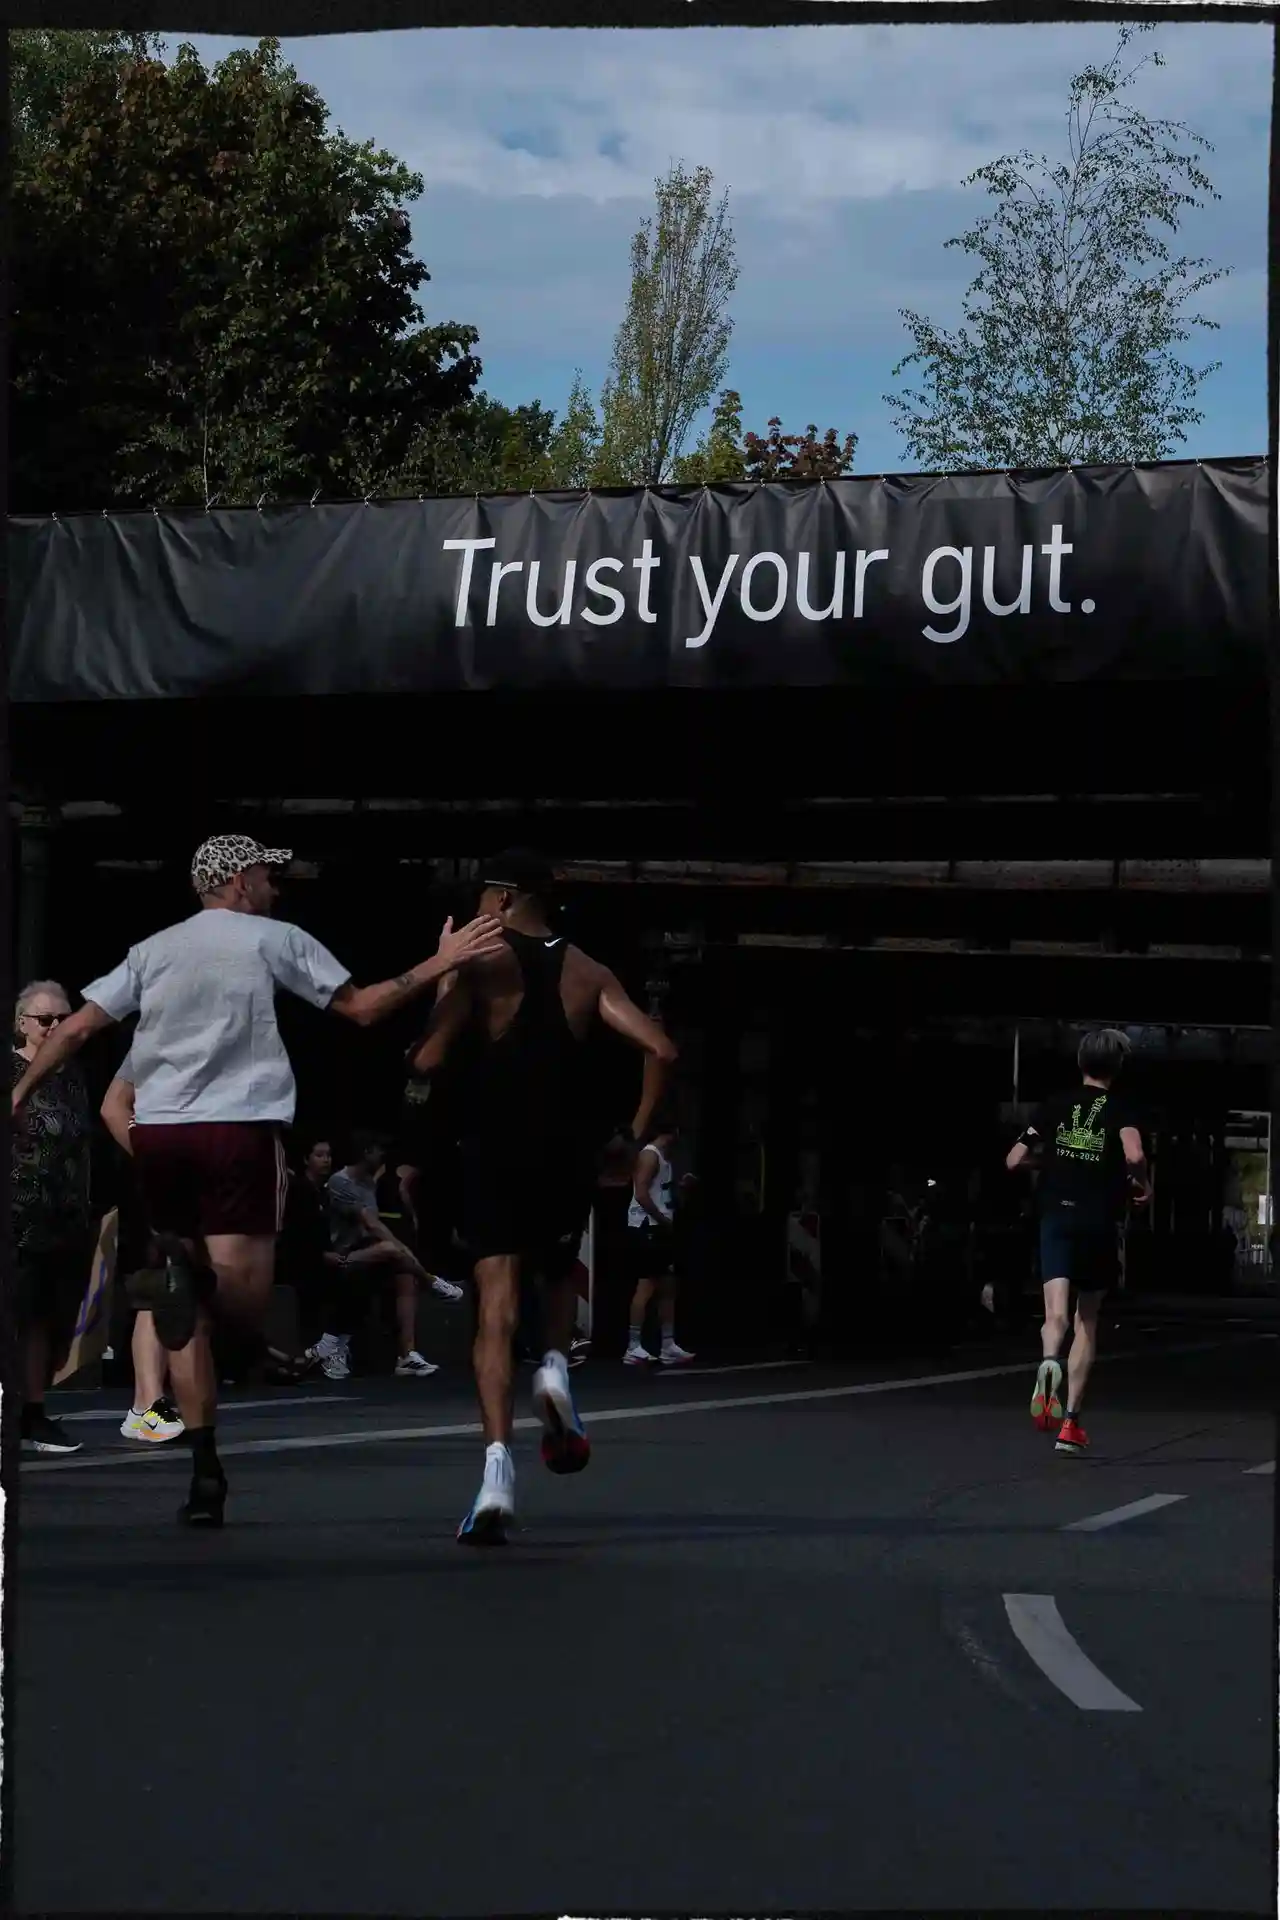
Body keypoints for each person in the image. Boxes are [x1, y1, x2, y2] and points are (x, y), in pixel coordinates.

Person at [11, 833, 506, 1527]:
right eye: (270, 875)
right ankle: (201, 1297)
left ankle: (205, 1468)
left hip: (163, 1138)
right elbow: (362, 1008)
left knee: (189, 1316)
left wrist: (18, 1094)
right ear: (240, 881)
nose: (277, 887)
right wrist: (443, 961)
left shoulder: (152, 951)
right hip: (238, 1134)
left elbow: (76, 1031)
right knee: (241, 1309)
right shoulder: (274, 938)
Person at [408, 849, 678, 1546]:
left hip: (493, 1150)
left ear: (502, 899)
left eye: (481, 895)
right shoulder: (589, 969)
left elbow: (427, 1059)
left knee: (495, 1310)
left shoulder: (483, 964)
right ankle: (555, 1370)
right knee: (557, 1275)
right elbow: (662, 1049)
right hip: (567, 1153)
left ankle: (497, 1472)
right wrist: (633, 1135)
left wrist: (445, 973)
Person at [1005, 1027, 1150, 1454]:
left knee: (1055, 1315)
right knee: (1087, 1318)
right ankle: (1070, 1425)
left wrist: (1049, 1162)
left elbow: (1013, 1159)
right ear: (1117, 1067)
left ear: (1080, 1063)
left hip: (1056, 1217)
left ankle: (1049, 1358)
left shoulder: (1054, 1105)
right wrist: (1142, 1184)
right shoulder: (1120, 1109)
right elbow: (1134, 1155)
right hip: (1097, 1221)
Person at [11, 980, 94, 1455]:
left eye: (64, 1019)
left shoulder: (73, 1076)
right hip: (16, 1217)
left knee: (44, 1318)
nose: (56, 1027)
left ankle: (33, 1413)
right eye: (46, 1020)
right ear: (21, 1023)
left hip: (62, 1220)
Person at [322, 1131, 455, 1378]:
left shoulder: (369, 1183)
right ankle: (430, 1281)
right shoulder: (340, 1181)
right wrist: (400, 1247)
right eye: (378, 1150)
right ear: (366, 1153)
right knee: (390, 1249)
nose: (383, 1155)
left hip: (365, 1250)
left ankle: (407, 1355)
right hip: (341, 1255)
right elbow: (370, 1223)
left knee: (404, 1273)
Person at [100, 1053, 184, 1443]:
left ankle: (141, 1408)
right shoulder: (154, 1045)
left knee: (174, 1290)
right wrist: (152, 1159)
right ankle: (151, 1406)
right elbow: (113, 1108)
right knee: (156, 1288)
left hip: (190, 1180)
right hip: (156, 1184)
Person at [623, 1120, 695, 1367]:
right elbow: (641, 1194)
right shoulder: (650, 1155)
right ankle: (633, 1347)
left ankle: (668, 1344)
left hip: (661, 1228)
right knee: (646, 1285)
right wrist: (662, 1219)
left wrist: (681, 1187)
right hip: (648, 1227)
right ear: (673, 1131)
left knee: (668, 1286)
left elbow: (659, 1191)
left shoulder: (665, 1158)